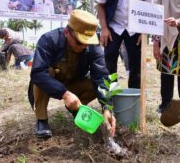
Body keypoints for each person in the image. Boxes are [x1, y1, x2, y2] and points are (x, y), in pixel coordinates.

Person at [28, 9, 116, 138]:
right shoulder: (49, 40)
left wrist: (107, 107)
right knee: (44, 73)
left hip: (74, 81)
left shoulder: (93, 46)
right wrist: (64, 94)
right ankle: (42, 120)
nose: (83, 46)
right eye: (79, 42)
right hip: (50, 83)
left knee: (98, 83)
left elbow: (101, 76)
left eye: (87, 43)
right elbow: (37, 73)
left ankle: (75, 109)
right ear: (66, 32)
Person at [97, 0, 152, 88]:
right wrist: (104, 28)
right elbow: (100, 5)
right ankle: (110, 99)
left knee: (136, 65)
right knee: (109, 62)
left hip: (135, 29)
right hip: (113, 27)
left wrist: (144, 32)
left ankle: (133, 100)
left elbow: (150, 10)